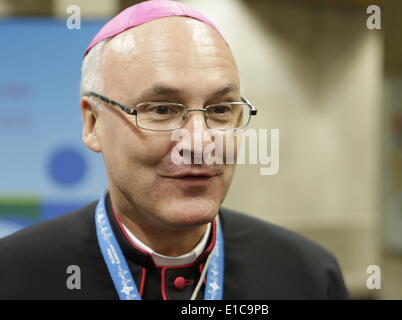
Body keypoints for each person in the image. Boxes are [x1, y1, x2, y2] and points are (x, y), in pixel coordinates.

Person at [0, 0, 348, 300]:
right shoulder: (14, 274)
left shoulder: (308, 275)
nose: (199, 143)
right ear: (93, 124)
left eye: (220, 110)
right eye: (162, 110)